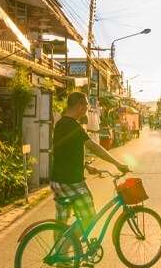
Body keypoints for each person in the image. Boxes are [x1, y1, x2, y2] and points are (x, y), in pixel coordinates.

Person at [51, 92, 130, 233]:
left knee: (61, 221)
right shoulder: (73, 126)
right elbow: (95, 147)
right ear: (80, 105)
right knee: (90, 218)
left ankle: (59, 252)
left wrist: (85, 165)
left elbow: (64, 152)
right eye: (87, 104)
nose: (88, 107)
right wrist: (117, 164)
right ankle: (73, 246)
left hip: (57, 180)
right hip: (72, 181)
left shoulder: (61, 124)